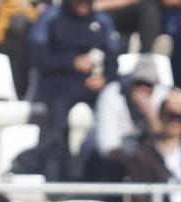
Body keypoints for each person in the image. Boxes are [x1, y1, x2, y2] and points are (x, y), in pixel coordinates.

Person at [27, 0, 122, 182]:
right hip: (59, 84)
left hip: (95, 85)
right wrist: (72, 62)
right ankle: (60, 179)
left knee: (112, 115)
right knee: (58, 123)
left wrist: (105, 79)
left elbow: (113, 59)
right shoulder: (51, 17)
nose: (83, 4)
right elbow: (37, 57)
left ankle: (102, 177)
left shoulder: (102, 21)